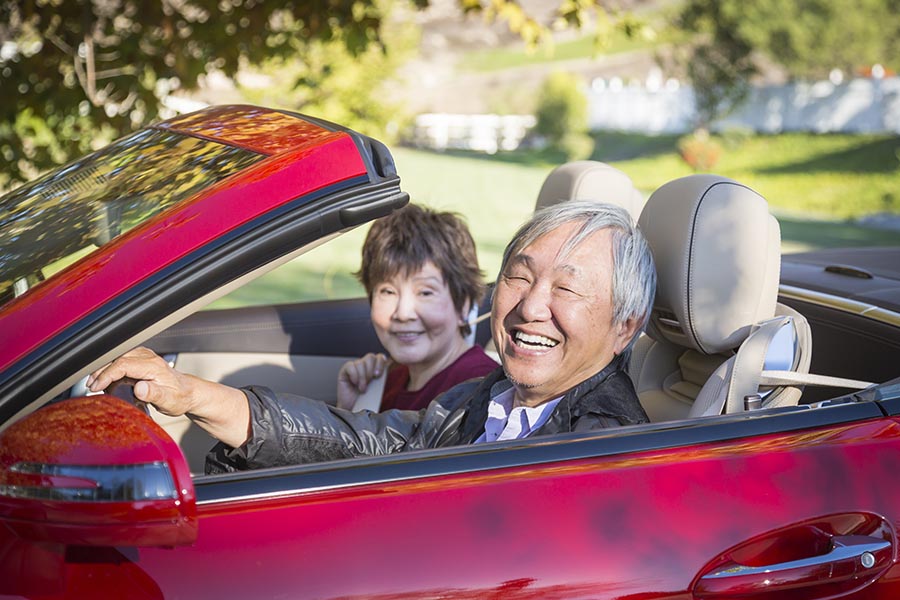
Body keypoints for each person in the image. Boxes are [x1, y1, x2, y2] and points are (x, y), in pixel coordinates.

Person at [87, 200, 656, 473]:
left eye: (568, 290)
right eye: (520, 277)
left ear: (624, 327)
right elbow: (369, 440)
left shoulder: (601, 448)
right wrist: (191, 395)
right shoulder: (486, 398)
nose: (531, 306)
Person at [336, 203, 497, 412]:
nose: (403, 313)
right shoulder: (388, 379)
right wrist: (350, 409)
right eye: (387, 292)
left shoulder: (478, 389)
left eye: (425, 293)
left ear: (464, 306)